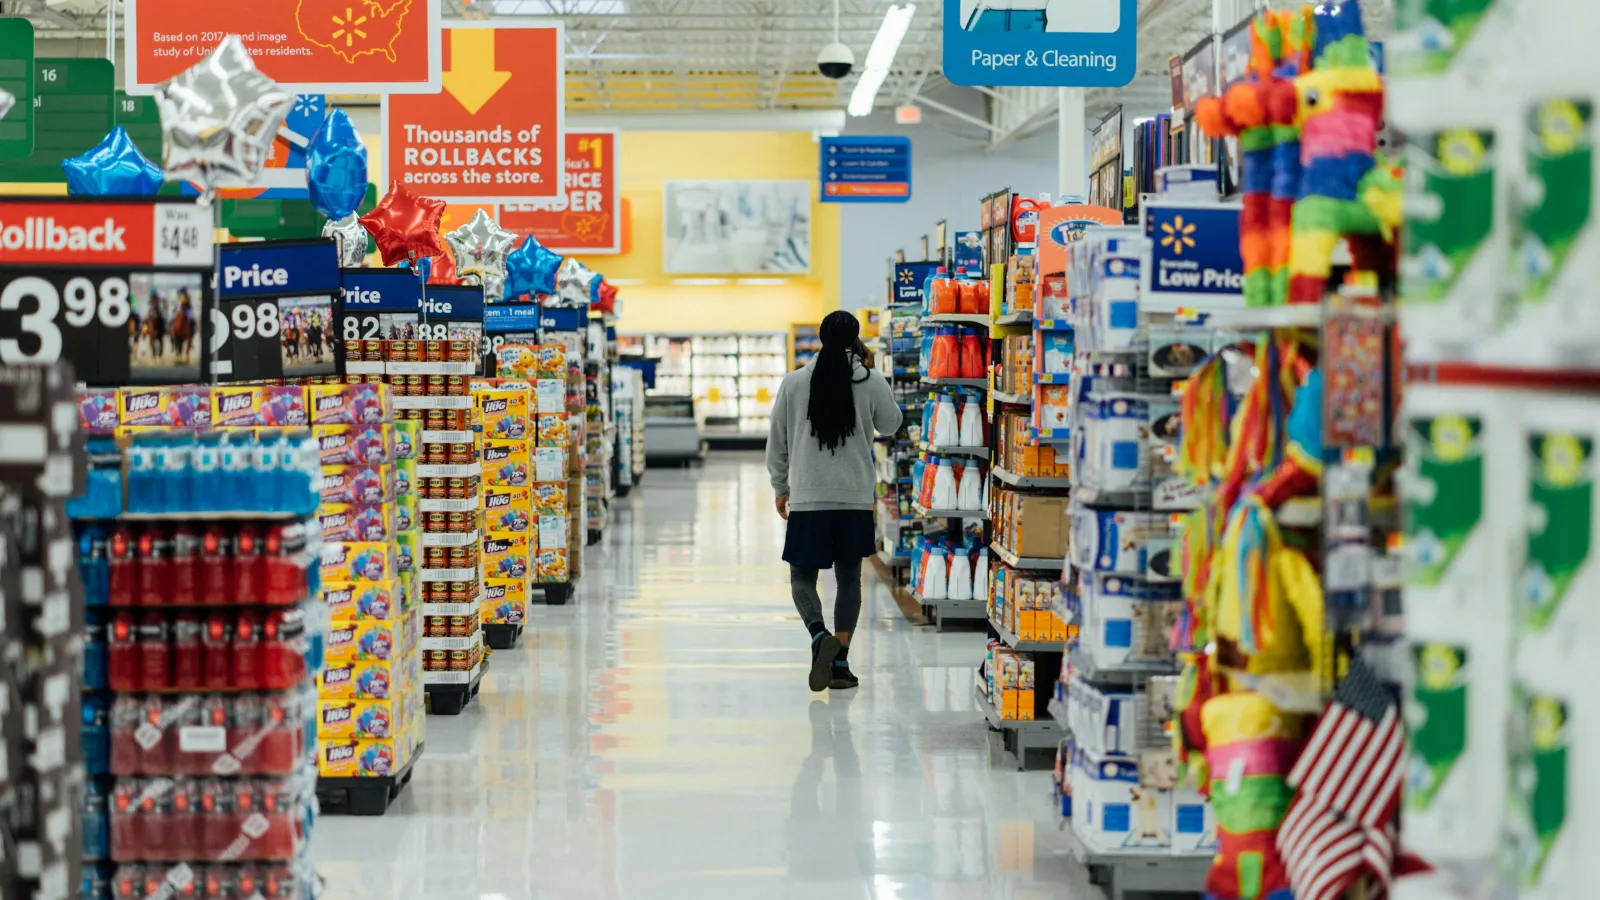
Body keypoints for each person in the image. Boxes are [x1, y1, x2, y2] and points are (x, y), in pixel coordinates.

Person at [767, 310, 902, 691]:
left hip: (809, 496)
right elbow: (891, 424)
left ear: (822, 337)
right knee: (848, 579)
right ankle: (840, 663)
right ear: (856, 340)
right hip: (855, 497)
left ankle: (817, 636)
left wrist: (781, 486)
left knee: (801, 578)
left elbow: (776, 443)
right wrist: (876, 376)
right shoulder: (870, 379)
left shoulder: (795, 383)